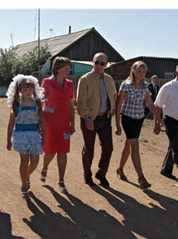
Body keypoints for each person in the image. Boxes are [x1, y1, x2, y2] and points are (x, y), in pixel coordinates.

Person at [115, 61, 163, 189]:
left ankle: (120, 169)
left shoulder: (145, 86)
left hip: (139, 118)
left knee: (129, 143)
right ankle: (141, 177)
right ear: (133, 70)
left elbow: (151, 104)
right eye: (139, 71)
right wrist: (117, 124)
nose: (141, 74)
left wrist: (158, 118)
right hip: (127, 117)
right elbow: (118, 106)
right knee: (135, 145)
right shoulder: (126, 85)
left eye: (144, 72)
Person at [76, 52, 117, 187]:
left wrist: (112, 111)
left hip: (105, 119)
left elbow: (114, 96)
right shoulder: (85, 79)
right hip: (90, 118)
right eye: (97, 62)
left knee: (108, 148)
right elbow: (81, 101)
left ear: (106, 65)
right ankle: (87, 175)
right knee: (89, 149)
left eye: (102, 63)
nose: (99, 65)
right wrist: (87, 117)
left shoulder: (110, 80)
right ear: (92, 62)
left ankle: (101, 174)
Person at [6, 75, 46, 199]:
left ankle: (27, 175)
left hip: (34, 135)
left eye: (30, 89)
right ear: (20, 91)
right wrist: (8, 140)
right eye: (25, 89)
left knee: (35, 161)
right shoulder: (17, 104)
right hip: (21, 136)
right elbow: (11, 123)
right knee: (24, 161)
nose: (28, 92)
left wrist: (44, 136)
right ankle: (24, 185)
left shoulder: (37, 103)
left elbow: (42, 121)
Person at [40, 56, 75, 193]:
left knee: (63, 150)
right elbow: (41, 101)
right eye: (66, 68)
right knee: (50, 150)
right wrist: (40, 122)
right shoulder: (47, 82)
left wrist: (72, 123)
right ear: (57, 69)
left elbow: (71, 105)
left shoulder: (70, 84)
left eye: (69, 68)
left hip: (64, 121)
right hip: (49, 121)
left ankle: (61, 180)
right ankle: (45, 167)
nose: (68, 71)